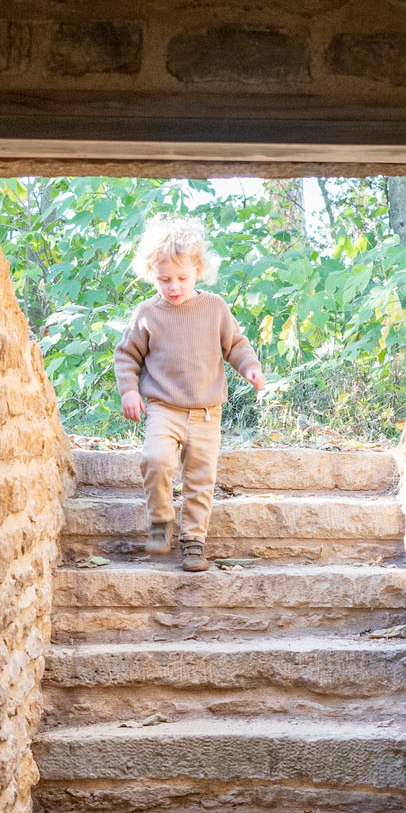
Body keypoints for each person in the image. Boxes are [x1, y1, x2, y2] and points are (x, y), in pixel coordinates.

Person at [114, 213, 265, 571]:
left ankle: (194, 540)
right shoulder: (148, 313)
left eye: (182, 277)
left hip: (206, 412)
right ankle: (161, 521)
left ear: (198, 270)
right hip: (163, 408)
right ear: (151, 273)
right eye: (164, 279)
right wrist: (129, 391)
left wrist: (250, 368)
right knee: (155, 460)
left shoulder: (214, 308)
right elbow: (126, 355)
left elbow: (236, 345)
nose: (174, 287)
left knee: (200, 479)